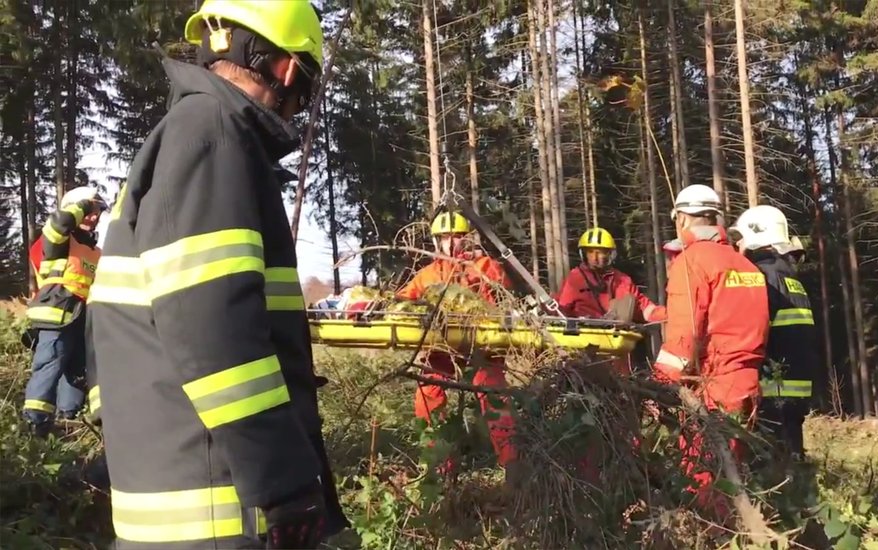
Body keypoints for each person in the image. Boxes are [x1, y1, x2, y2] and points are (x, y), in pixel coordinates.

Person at [86, 2, 349, 548]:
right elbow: (211, 324)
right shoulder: (212, 133)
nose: (300, 107)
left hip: (187, 494)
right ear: (287, 70)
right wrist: (280, 479)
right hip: (216, 510)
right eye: (307, 85)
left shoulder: (190, 134)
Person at [651, 184, 770, 518]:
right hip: (747, 383)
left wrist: (657, 385)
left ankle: (713, 537)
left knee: (704, 478)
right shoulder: (745, 265)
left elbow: (683, 336)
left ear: (682, 219)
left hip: (711, 386)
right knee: (734, 474)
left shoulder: (691, 262)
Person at [397, 211, 518, 477]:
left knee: (495, 395)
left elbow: (504, 293)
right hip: (441, 351)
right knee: (427, 396)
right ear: (436, 241)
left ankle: (511, 466)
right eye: (445, 238)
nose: (451, 243)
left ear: (467, 239)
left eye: (457, 237)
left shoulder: (484, 266)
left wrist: (481, 273)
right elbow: (403, 301)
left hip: (482, 349)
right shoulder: (427, 274)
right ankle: (439, 466)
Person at [731, 205, 817, 460]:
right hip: (796, 389)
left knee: (770, 462)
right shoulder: (790, 278)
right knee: (791, 454)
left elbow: (753, 329)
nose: (738, 248)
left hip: (772, 389)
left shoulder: (763, 276)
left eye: (740, 241)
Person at [22, 186, 107, 437]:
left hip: (84, 319)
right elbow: (59, 224)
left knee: (77, 373)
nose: (94, 215)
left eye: (98, 211)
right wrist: (82, 207)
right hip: (57, 315)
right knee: (49, 368)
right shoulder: (56, 240)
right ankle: (35, 424)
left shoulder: (96, 251)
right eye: (89, 210)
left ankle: (68, 421)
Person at [556, 227, 664, 375]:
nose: (595, 257)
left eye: (601, 252)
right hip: (585, 355)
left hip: (618, 355)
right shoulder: (574, 278)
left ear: (610, 254)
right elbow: (559, 310)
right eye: (591, 251)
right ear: (583, 253)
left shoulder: (623, 280)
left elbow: (642, 307)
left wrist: (667, 314)